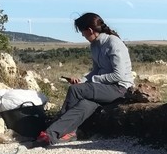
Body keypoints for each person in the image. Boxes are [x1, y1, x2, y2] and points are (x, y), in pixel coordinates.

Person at [37, 12, 133, 146]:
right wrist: (82, 80)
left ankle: (54, 131)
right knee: (85, 105)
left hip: (120, 88)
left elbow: (119, 75)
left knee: (75, 90)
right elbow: (96, 70)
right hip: (104, 89)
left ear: (90, 30)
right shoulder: (94, 45)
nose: (82, 35)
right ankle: (61, 133)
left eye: (82, 32)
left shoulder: (114, 43)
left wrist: (92, 80)